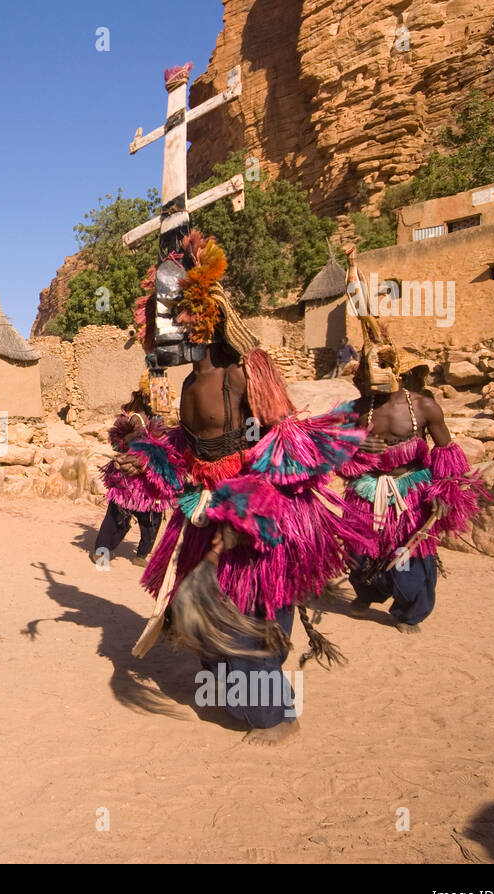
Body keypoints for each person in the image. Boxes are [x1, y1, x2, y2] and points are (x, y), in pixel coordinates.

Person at [115, 230, 366, 744]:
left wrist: (244, 510)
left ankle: (274, 717)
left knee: (251, 611)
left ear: (201, 316)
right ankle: (237, 702)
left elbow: (281, 439)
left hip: (256, 516)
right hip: (207, 517)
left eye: (171, 318)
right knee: (210, 614)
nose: (161, 332)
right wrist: (152, 459)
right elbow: (193, 444)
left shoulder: (243, 372)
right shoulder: (187, 383)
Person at [340, 331, 487, 633]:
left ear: (395, 371)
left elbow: (446, 452)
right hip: (366, 490)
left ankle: (408, 612)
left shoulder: (424, 407)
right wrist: (357, 445)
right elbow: (335, 454)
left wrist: (445, 491)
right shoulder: (355, 410)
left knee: (410, 556)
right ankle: (367, 594)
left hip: (411, 491)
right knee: (359, 553)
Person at [95, 376, 163, 566]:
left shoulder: (158, 418)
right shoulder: (136, 418)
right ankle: (102, 550)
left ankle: (142, 554)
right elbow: (122, 444)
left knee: (151, 516)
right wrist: (141, 434)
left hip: (150, 476)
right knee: (118, 514)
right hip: (129, 476)